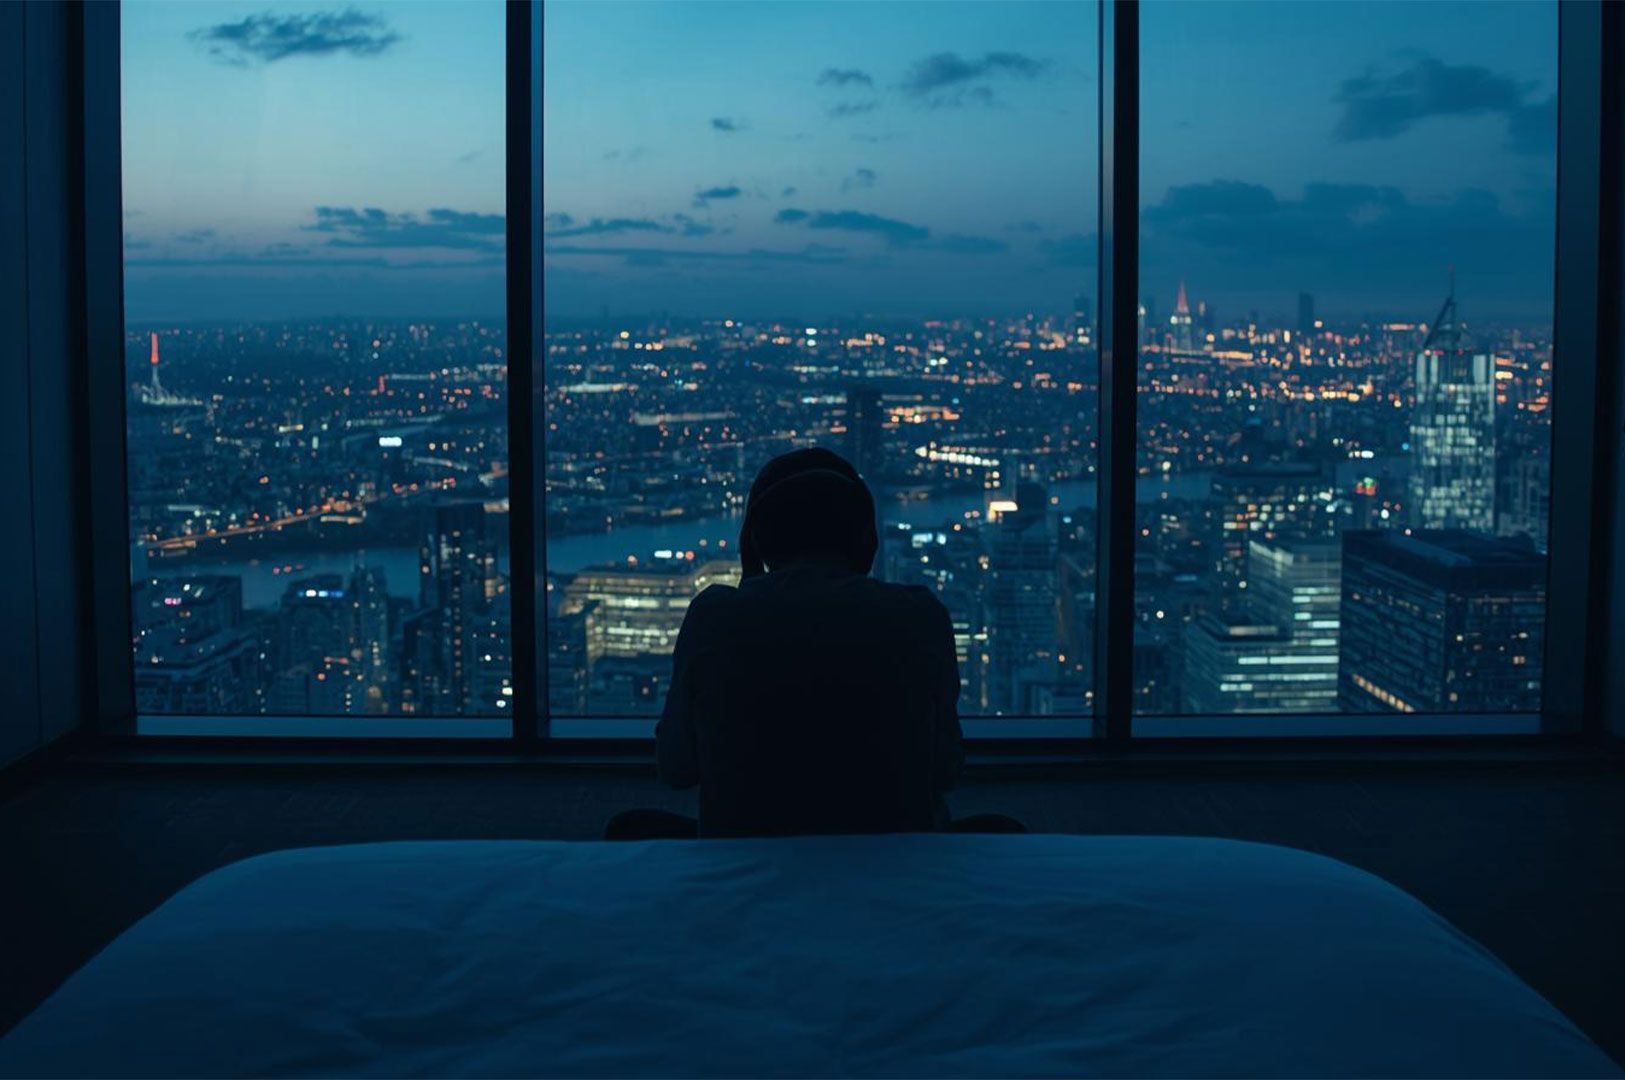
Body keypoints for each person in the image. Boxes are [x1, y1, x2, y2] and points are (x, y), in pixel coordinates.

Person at [605, 448, 1024, 840]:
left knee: (629, 829)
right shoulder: (919, 616)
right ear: (867, 543)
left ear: (757, 543)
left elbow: (676, 768)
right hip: (893, 867)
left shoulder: (715, 617)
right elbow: (946, 770)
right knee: (1005, 831)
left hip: (746, 866)